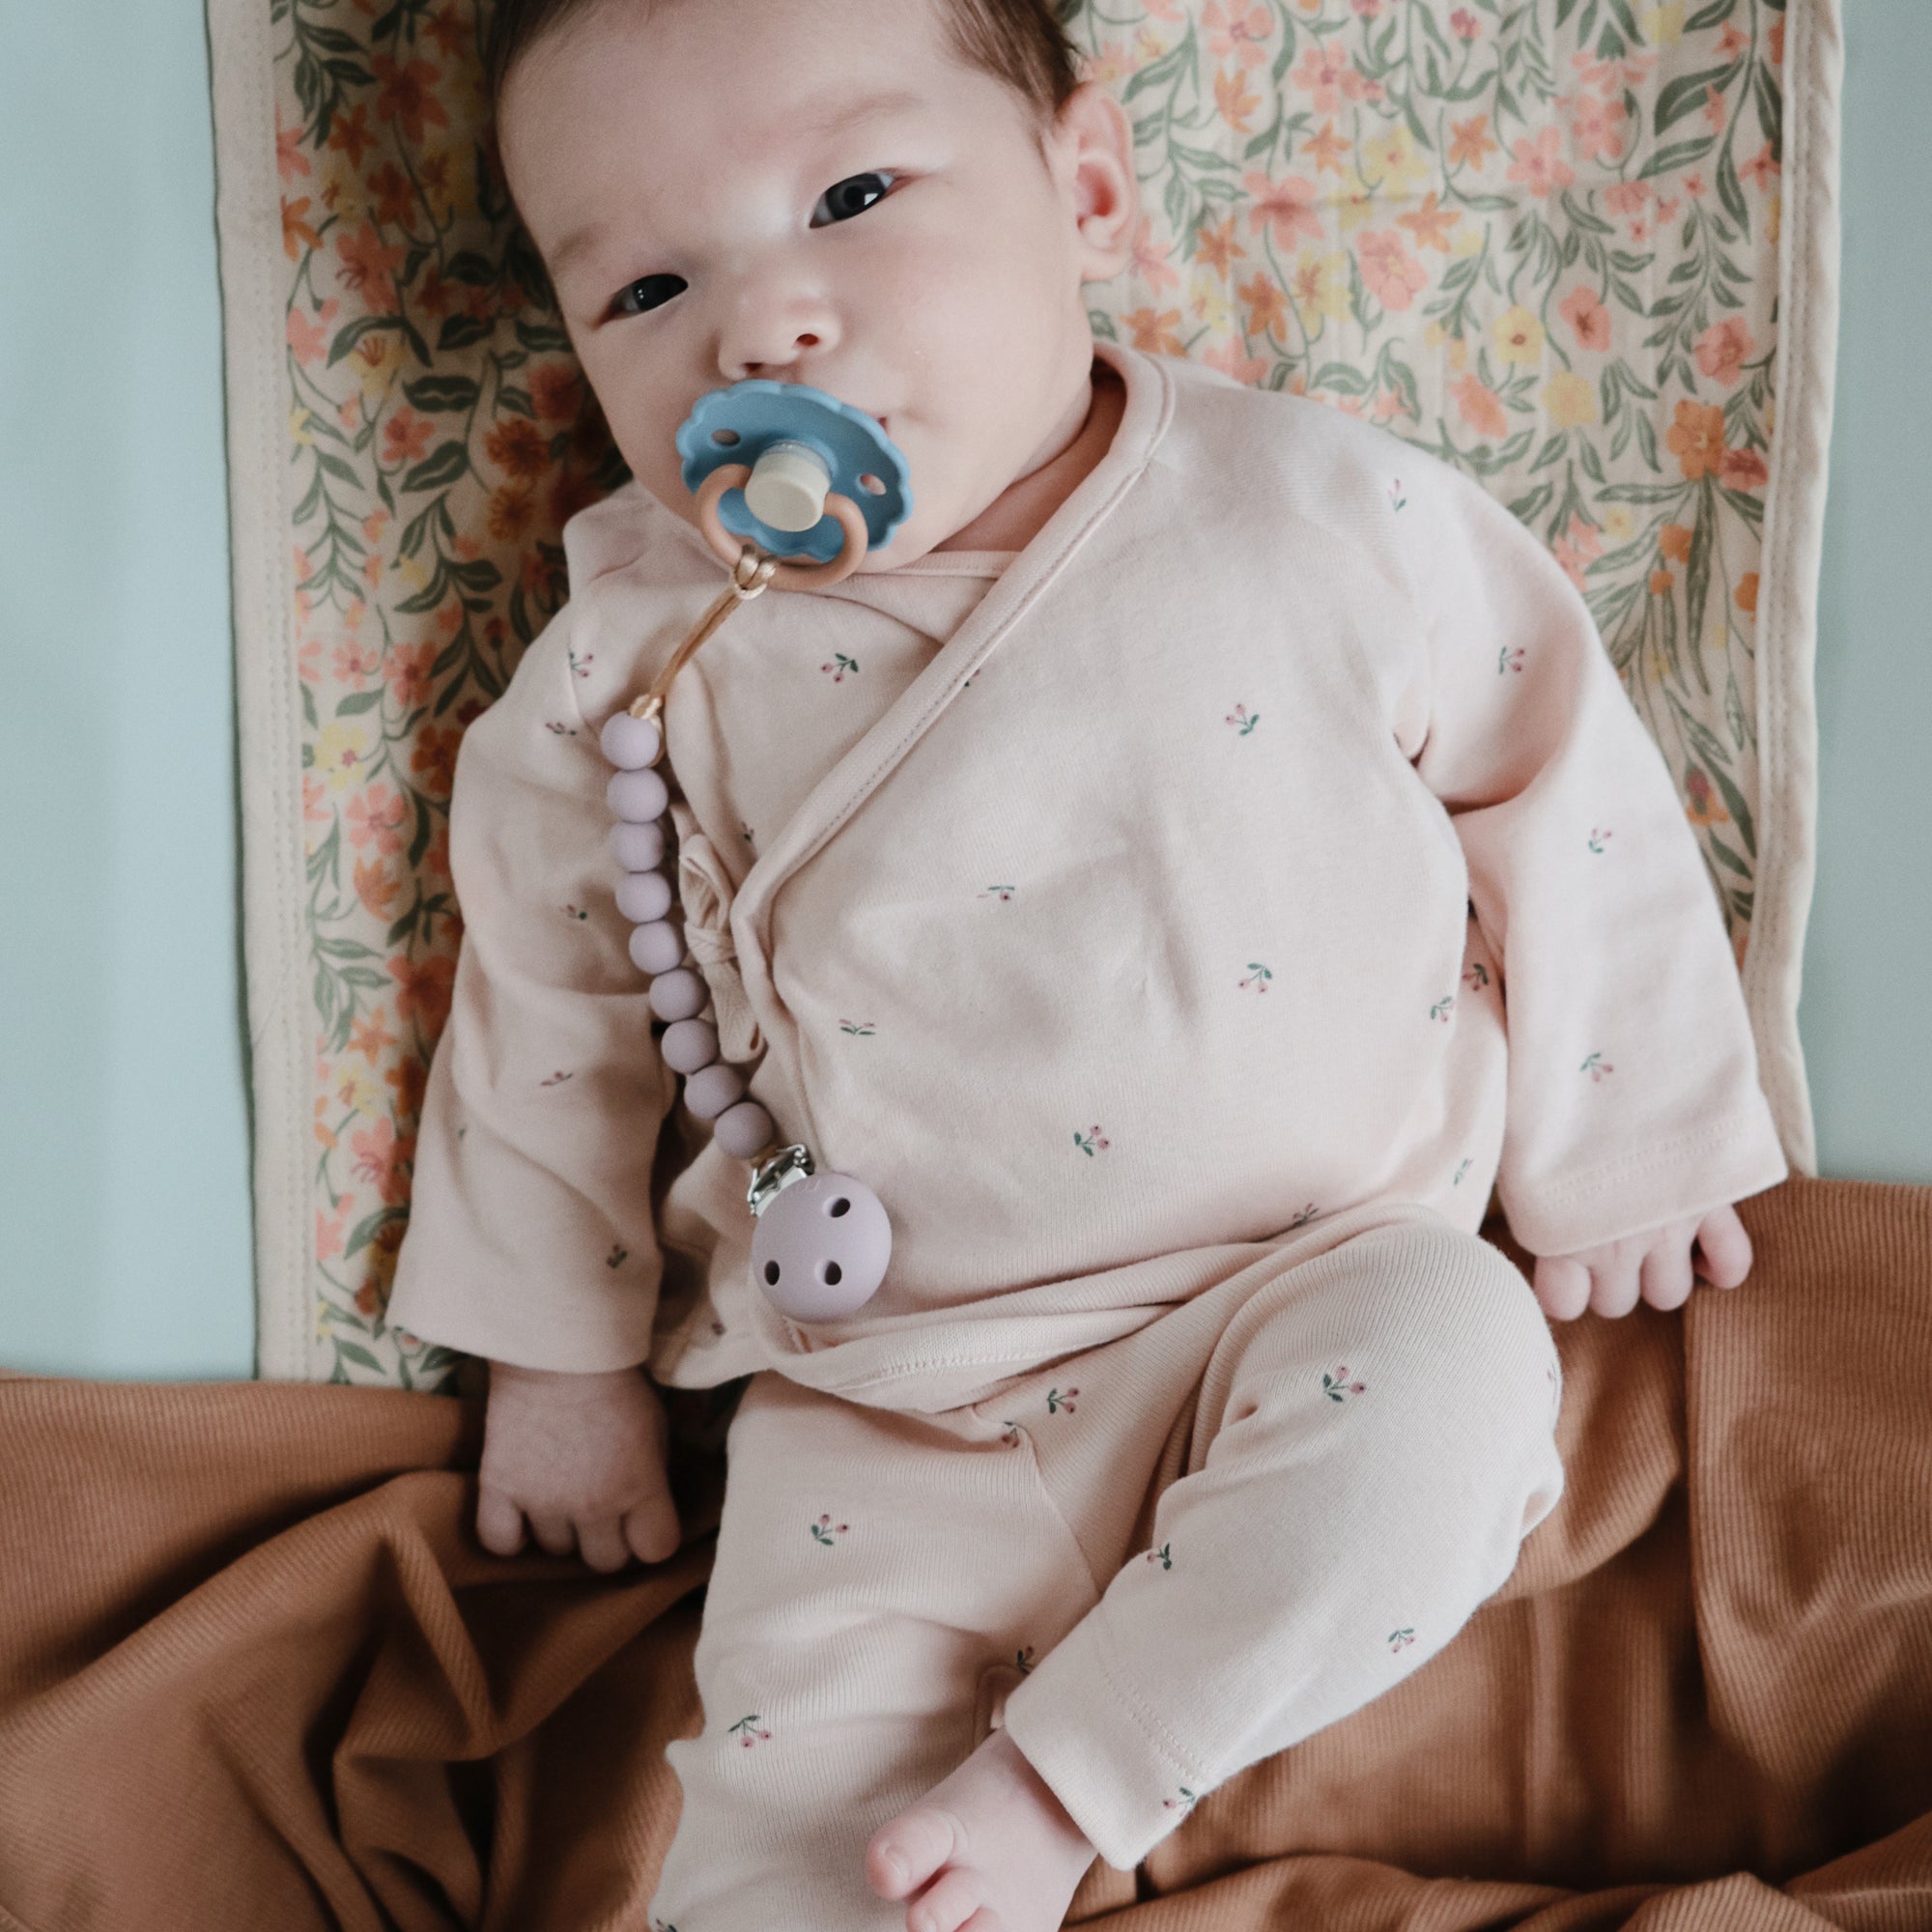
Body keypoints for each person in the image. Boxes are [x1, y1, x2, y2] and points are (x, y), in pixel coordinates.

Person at [387, 0, 1790, 1924]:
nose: (762, 326)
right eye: (644, 285)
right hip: (894, 1393)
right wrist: (555, 1357)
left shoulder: (1311, 513)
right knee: (788, 1823)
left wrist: (1627, 1137)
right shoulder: (635, 664)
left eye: (856, 195)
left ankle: (1069, 1779)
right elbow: (545, 1008)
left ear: (1087, 182)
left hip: (1308, 1282)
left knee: (1456, 1393)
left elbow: (1556, 769)